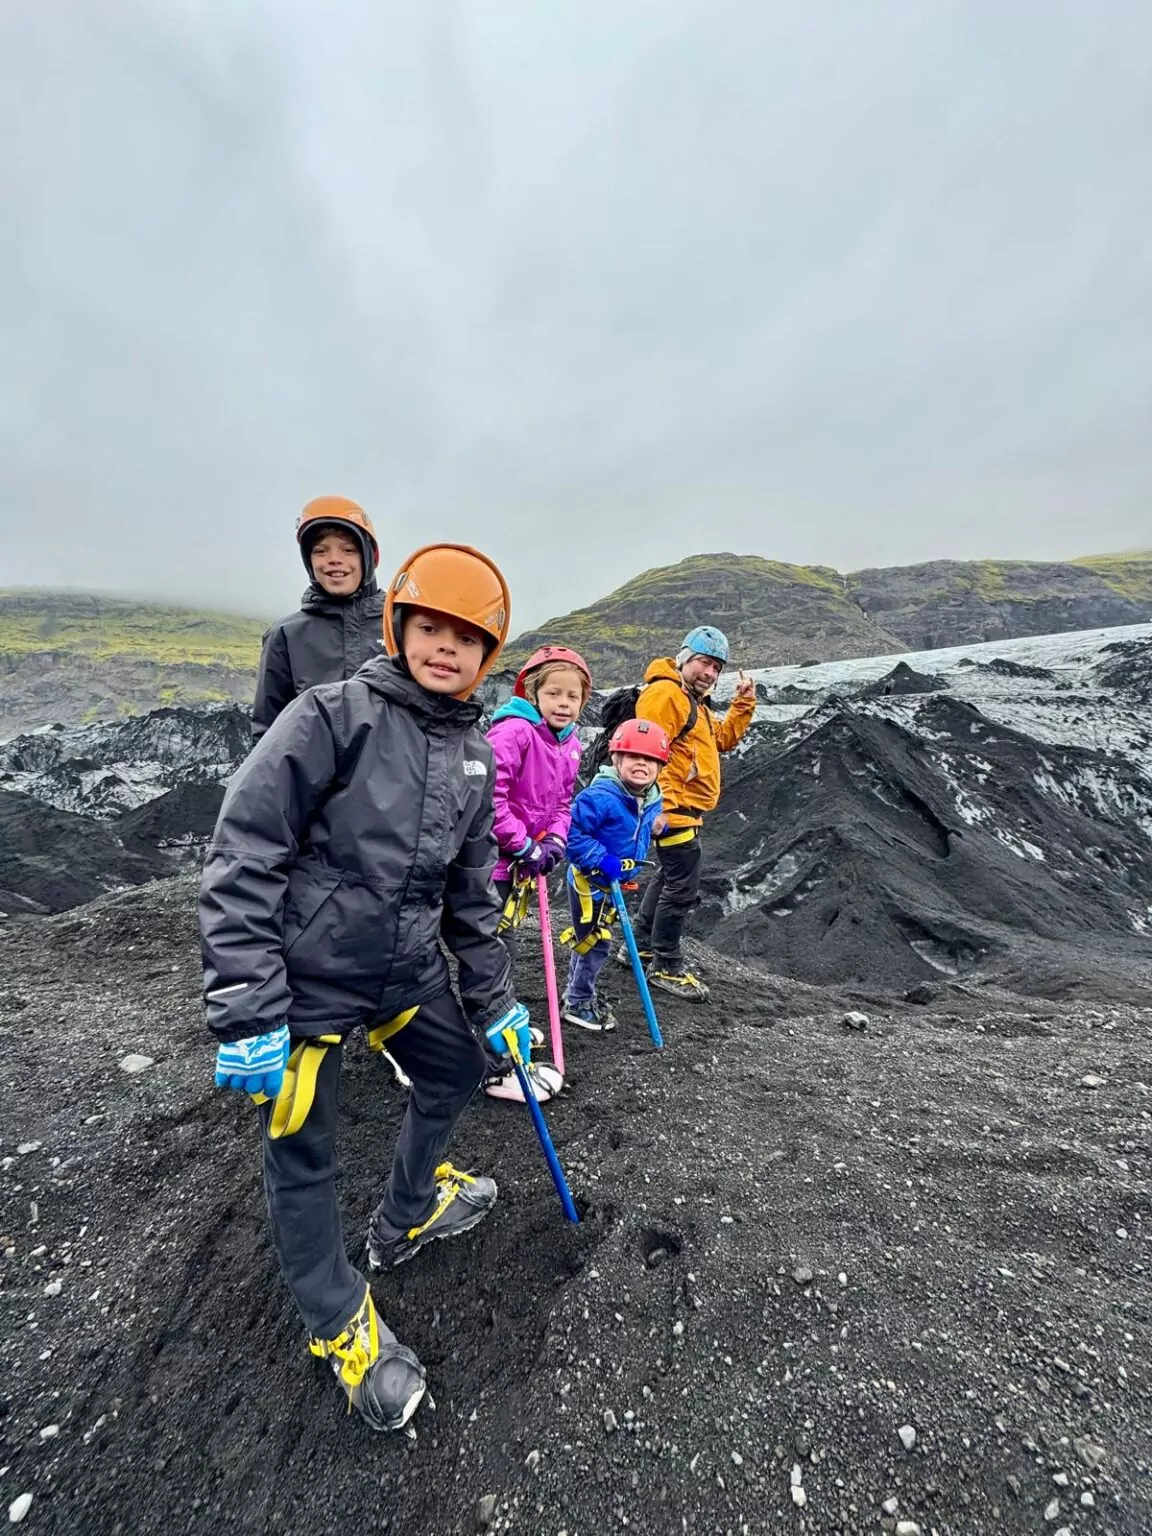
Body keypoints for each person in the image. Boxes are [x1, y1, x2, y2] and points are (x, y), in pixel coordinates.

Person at [200, 542, 531, 1434]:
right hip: (304, 988)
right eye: (431, 627)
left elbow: (472, 896)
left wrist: (497, 1001)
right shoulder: (330, 715)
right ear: (400, 626)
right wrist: (245, 1007)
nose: (447, 648)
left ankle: (407, 1214)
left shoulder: (474, 755)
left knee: (458, 1071)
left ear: (488, 656)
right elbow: (244, 854)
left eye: (469, 637)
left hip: (407, 973)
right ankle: (340, 1323)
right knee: (303, 1153)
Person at [483, 645, 591, 1100]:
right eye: (554, 693)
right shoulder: (514, 733)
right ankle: (493, 1053)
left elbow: (562, 803)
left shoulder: (570, 746)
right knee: (492, 950)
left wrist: (555, 840)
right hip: (493, 862)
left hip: (525, 863)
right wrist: (523, 843)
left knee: (503, 945)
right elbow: (490, 795)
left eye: (573, 697)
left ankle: (502, 1021)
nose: (564, 703)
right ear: (533, 691)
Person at [630, 625, 757, 1001]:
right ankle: (666, 966)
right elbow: (649, 752)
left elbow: (722, 739)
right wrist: (662, 806)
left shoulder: (692, 702)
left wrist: (743, 704)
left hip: (683, 809)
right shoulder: (666, 694)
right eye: (704, 662)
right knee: (682, 889)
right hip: (674, 810)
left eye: (717, 667)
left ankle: (638, 947)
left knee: (670, 878)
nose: (710, 673)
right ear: (684, 658)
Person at [561, 718, 668, 1031]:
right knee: (595, 944)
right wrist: (601, 858)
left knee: (590, 940)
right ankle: (578, 1002)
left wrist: (657, 827)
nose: (642, 764)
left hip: (614, 884)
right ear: (616, 758)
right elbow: (572, 834)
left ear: (660, 766)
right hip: (590, 884)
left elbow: (638, 828)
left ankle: (577, 991)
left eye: (650, 760)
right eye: (633, 756)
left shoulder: (650, 797)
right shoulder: (600, 797)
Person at [251, 495, 384, 742]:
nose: (334, 559)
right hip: (315, 780)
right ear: (309, 562)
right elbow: (268, 735)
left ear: (369, 557)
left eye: (348, 549)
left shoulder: (403, 625)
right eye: (320, 551)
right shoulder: (286, 635)